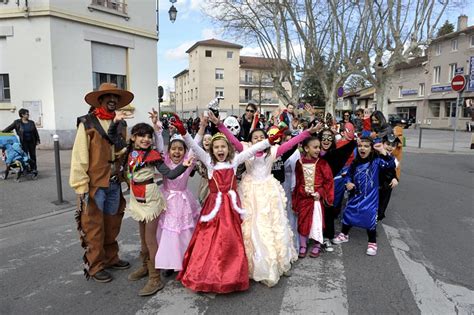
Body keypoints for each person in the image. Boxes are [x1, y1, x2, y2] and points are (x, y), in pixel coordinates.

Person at [173, 114, 283, 293]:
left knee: (231, 241)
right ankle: (207, 275)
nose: (220, 149)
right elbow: (193, 146)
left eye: (223, 146)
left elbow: (251, 151)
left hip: (230, 208)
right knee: (208, 240)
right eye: (216, 147)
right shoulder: (209, 162)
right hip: (213, 207)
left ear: (228, 149)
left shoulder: (233, 162)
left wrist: (269, 141)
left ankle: (231, 276)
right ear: (212, 151)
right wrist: (184, 132)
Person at [216, 117, 318, 287]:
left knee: (274, 226)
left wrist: (307, 133)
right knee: (252, 227)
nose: (257, 139)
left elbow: (292, 142)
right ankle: (251, 265)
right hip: (250, 191)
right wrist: (219, 125)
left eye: (260, 137)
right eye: (254, 137)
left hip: (269, 191)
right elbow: (232, 139)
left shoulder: (273, 151)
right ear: (251, 141)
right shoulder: (245, 149)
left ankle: (278, 261)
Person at [108, 118, 192, 296]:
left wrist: (183, 167)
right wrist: (116, 122)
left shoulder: (153, 155)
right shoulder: (129, 151)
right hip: (136, 198)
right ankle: (146, 267)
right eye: (141, 136)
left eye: (148, 136)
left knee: (150, 239)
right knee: (142, 237)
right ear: (133, 138)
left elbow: (169, 173)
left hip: (151, 198)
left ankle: (155, 278)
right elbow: (112, 136)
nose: (145, 139)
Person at [70, 83, 133, 283]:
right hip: (95, 184)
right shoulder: (87, 123)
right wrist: (81, 186)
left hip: (114, 182)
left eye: (115, 96)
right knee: (94, 226)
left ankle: (111, 258)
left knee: (112, 223)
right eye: (108, 96)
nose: (112, 99)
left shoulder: (122, 124)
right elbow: (79, 155)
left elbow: (123, 152)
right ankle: (96, 266)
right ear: (100, 100)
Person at [333, 135, 395, 256]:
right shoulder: (355, 163)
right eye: (360, 145)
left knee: (369, 217)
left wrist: (383, 151)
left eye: (366, 146)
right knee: (349, 213)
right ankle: (344, 234)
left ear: (371, 149)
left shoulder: (377, 162)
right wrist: (348, 183)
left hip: (370, 198)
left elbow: (390, 165)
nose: (363, 148)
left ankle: (372, 242)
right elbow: (348, 175)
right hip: (355, 195)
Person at [152, 121, 200, 275]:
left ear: (185, 152)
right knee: (167, 232)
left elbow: (194, 146)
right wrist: (157, 131)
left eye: (180, 149)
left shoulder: (188, 162)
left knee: (183, 232)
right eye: (173, 149)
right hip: (166, 200)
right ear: (169, 151)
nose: (177, 152)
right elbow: (159, 149)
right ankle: (168, 262)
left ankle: (184, 259)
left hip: (183, 201)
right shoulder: (165, 162)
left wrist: (202, 128)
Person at [293, 136, 334, 258]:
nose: (318, 150)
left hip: (316, 199)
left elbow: (328, 181)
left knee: (317, 221)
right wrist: (300, 192)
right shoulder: (299, 163)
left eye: (319, 147)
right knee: (302, 221)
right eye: (315, 147)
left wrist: (320, 193)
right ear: (306, 148)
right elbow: (298, 181)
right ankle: (303, 245)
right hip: (303, 197)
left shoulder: (322, 163)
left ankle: (317, 244)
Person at [2, 108, 40, 175]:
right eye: (26, 113)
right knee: (24, 156)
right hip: (23, 142)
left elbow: (35, 132)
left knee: (33, 155)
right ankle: (25, 169)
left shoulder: (31, 122)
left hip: (32, 141)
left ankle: (34, 169)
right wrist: (3, 134)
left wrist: (37, 140)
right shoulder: (17, 122)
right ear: (22, 115)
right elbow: (8, 128)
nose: (28, 115)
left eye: (28, 113)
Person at [377, 133, 400, 221]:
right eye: (388, 144)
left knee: (381, 209)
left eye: (393, 145)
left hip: (386, 187)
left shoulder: (393, 159)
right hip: (374, 186)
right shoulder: (375, 155)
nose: (390, 147)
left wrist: (395, 178)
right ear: (382, 143)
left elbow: (392, 171)